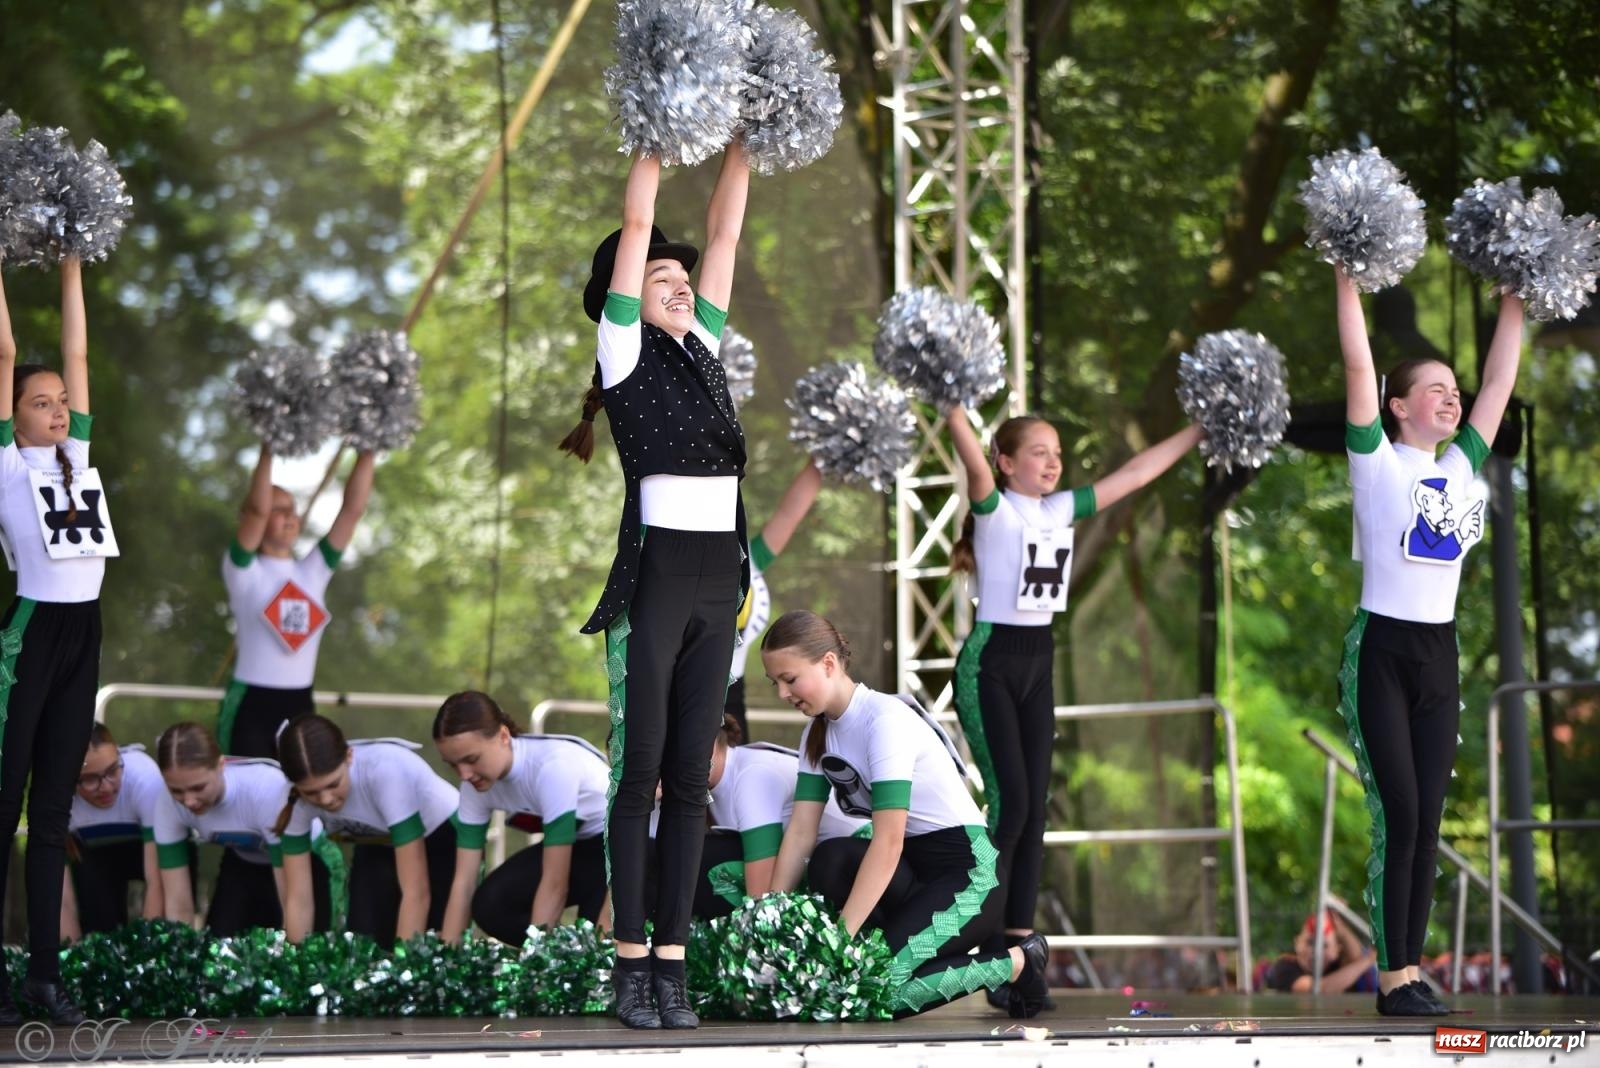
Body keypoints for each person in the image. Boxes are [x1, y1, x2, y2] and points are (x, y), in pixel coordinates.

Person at [557, 140, 752, 1030]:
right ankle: (629, 963)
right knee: (639, 777)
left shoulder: (704, 345)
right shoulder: (626, 349)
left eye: (682, 276)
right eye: (659, 274)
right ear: (628, 292)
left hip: (721, 581)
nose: (678, 280)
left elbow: (725, 231)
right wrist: (650, 137)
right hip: (662, 574)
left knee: (693, 782)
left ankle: (673, 966)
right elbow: (642, 221)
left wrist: (747, 137)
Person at [946, 403, 1200, 1010]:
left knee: (1035, 811)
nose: (1053, 461)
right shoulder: (995, 508)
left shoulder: (1060, 509)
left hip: (1040, 660)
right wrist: (951, 398)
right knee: (1010, 807)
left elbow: (1136, 475)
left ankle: (1020, 952)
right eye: (1039, 452)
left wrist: (1197, 430)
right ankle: (988, 958)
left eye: (1058, 452)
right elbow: (970, 459)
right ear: (1006, 463)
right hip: (991, 663)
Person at [1332, 263, 1524, 1016]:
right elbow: (1356, 361)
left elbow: (1501, 380)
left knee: (1430, 821)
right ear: (1397, 405)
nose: (1452, 396)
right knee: (1399, 812)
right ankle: (1393, 975)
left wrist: (1518, 290)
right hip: (1381, 650)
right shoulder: (1376, 463)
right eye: (1435, 388)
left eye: (1455, 389)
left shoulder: (1463, 469)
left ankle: (1412, 970)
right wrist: (1347, 276)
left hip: (1438, 657)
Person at [763, 610, 1049, 1017]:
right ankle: (887, 954)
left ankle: (1018, 963)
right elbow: (800, 835)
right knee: (832, 859)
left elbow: (888, 840)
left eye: (790, 680)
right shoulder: (816, 733)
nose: (782, 694)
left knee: (874, 992)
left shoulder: (885, 720)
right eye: (775, 683)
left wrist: (841, 938)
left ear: (828, 663)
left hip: (970, 875)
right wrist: (767, 920)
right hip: (913, 872)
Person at [0, 257, 105, 1024]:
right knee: (4, 808)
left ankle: (43, 978)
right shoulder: (5, 462)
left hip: (85, 632)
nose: (59, 409)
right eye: (41, 404)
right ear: (14, 414)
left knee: (54, 815)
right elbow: (4, 355)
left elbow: (79, 354)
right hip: (33, 632)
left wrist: (72, 258)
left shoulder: (79, 454)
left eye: (61, 403)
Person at [218, 442, 374, 758]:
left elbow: (352, 512)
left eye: (292, 509)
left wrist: (369, 448)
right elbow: (257, 511)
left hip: (300, 702)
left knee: (302, 794)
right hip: (251, 705)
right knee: (246, 794)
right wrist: (268, 446)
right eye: (279, 510)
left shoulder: (313, 571)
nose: (289, 517)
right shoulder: (243, 570)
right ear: (250, 518)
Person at [431, 691, 610, 945]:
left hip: (624, 851)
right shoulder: (472, 786)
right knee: (490, 905)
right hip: (580, 850)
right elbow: (464, 881)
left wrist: (538, 961)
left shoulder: (552, 767)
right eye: (453, 764)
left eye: (471, 759)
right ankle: (561, 957)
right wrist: (448, 956)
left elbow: (555, 883)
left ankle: (555, 961)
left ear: (503, 736)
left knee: (597, 950)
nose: (464, 774)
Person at [275, 715, 457, 947]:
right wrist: (295, 965)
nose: (326, 799)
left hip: (442, 838)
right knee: (363, 944)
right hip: (378, 840)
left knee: (434, 950)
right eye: (311, 793)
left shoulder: (384, 772)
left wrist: (402, 969)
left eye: (333, 784)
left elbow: (416, 893)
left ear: (349, 757)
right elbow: (298, 898)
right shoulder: (293, 802)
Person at [152, 721, 331, 937]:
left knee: (303, 945)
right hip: (245, 861)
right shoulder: (166, 801)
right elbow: (178, 905)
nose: (189, 801)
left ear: (221, 765)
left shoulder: (265, 790)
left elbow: (293, 903)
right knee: (218, 948)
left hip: (306, 860)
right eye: (177, 791)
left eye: (198, 787)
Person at [692, 712, 866, 919]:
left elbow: (761, 896)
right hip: (808, 866)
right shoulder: (711, 783)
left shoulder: (751, 775)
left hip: (852, 863)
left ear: (708, 745)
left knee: (708, 856)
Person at [725, 458, 823, 741]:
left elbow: (789, 513)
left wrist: (826, 453)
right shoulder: (681, 567)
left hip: (731, 696)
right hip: (681, 691)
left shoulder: (751, 558)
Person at [61, 724, 174, 941]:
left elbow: (156, 880)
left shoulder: (144, 778)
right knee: (98, 934)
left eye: (113, 770)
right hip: (97, 855)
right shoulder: (56, 797)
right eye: (90, 779)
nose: (106, 787)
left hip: (148, 852)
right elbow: (60, 896)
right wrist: (70, 955)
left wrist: (146, 950)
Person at [1265, 910, 1379, 994]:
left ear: (1337, 949)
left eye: (1324, 945)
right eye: (1310, 943)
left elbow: (1357, 959)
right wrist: (1369, 958)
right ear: (1297, 943)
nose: (1316, 951)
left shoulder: (1338, 966)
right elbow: (1319, 989)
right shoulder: (1285, 966)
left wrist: (1341, 928)